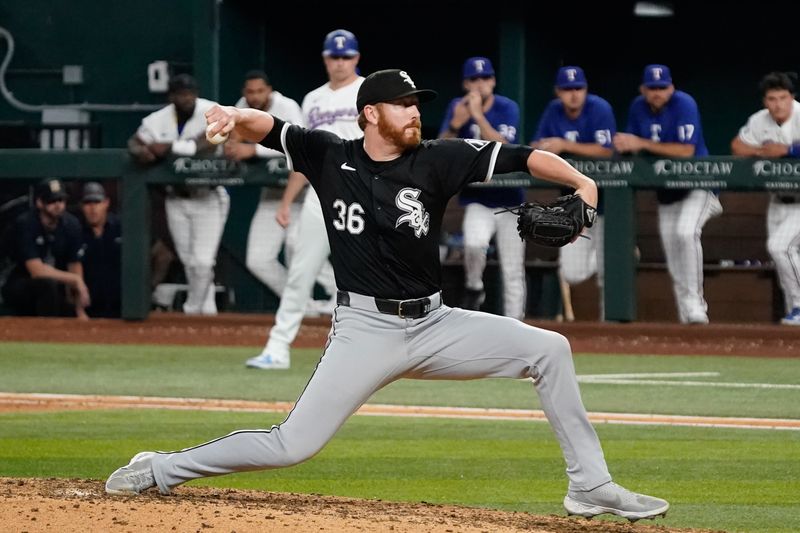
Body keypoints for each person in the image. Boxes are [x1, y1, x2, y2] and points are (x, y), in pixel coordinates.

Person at [106, 68, 670, 522]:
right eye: (404, 103)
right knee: (292, 445)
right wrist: (231, 115)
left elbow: (522, 156)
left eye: (417, 102)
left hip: (436, 324)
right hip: (364, 330)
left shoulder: (438, 157)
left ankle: (590, 487)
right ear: (371, 113)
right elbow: (267, 128)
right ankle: (162, 467)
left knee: (550, 349)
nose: (416, 110)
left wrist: (582, 182)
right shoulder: (330, 154)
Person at [245, 29, 364, 369]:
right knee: (300, 268)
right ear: (325, 59)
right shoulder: (312, 99)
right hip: (322, 189)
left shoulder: (368, 90)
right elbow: (304, 155)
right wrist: (285, 202)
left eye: (345, 56)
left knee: (372, 271)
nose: (339, 62)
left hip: (364, 189)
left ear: (355, 58)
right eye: (333, 56)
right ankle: (278, 347)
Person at [613, 64, 722, 324]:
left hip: (699, 186)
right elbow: (630, 145)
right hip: (667, 193)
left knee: (686, 233)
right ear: (643, 89)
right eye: (652, 88)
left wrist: (641, 143)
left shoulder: (684, 103)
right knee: (673, 252)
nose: (658, 92)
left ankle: (697, 305)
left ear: (671, 87)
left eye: (663, 87)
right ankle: (688, 316)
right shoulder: (638, 106)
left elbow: (686, 150)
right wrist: (625, 146)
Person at [224, 70, 337, 310]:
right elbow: (234, 136)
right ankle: (301, 305)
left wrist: (253, 151)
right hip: (272, 193)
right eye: (250, 92)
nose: (254, 97)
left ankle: (338, 294)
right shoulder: (242, 105)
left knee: (298, 247)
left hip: (304, 192)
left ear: (269, 90)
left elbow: (301, 146)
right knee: (258, 260)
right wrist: (232, 144)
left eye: (259, 91)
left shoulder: (287, 106)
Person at [128, 74, 230, 315]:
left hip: (208, 195)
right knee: (189, 263)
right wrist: (144, 153)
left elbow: (211, 143)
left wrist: (171, 147)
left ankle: (192, 309)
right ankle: (206, 311)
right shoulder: (158, 119)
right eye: (181, 93)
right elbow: (134, 143)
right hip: (176, 198)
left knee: (203, 262)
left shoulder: (211, 110)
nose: (186, 98)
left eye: (190, 93)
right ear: (171, 96)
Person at [437, 57, 526, 319]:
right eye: (474, 79)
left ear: (493, 81)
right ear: (466, 84)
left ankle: (516, 325)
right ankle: (475, 287)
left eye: (485, 78)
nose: (480, 84)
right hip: (478, 197)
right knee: (474, 245)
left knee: (513, 269)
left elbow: (505, 147)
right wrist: (455, 124)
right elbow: (440, 149)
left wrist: (477, 116)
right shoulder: (457, 107)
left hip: (510, 199)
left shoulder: (507, 107)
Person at [530, 66, 616, 318]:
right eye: (567, 89)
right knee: (572, 272)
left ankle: (610, 323)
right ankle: (621, 256)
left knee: (607, 272)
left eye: (578, 88)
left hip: (608, 203)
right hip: (574, 205)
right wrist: (549, 147)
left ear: (586, 89)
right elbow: (536, 147)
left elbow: (606, 150)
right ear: (558, 92)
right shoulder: (553, 111)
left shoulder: (599, 108)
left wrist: (565, 144)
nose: (573, 94)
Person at [731, 71, 800, 325]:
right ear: (765, 101)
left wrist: (788, 150)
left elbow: (783, 150)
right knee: (785, 257)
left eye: (783, 97)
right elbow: (737, 147)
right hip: (778, 200)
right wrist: (762, 150)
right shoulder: (759, 120)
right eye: (772, 98)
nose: (778, 104)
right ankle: (796, 315)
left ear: (792, 98)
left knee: (780, 247)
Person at [1, 178, 89, 318]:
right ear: (39, 203)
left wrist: (78, 308)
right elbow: (36, 271)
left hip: (55, 286)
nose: (58, 205)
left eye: (61, 200)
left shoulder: (71, 224)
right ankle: (47, 332)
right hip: (19, 283)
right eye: (52, 201)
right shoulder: (26, 223)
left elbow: (74, 265)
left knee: (65, 301)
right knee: (47, 285)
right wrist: (74, 279)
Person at [79, 182, 122, 318]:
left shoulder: (121, 227)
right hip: (88, 305)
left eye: (97, 202)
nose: (93, 208)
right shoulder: (75, 231)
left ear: (106, 203)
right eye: (88, 203)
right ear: (81, 206)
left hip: (121, 305)